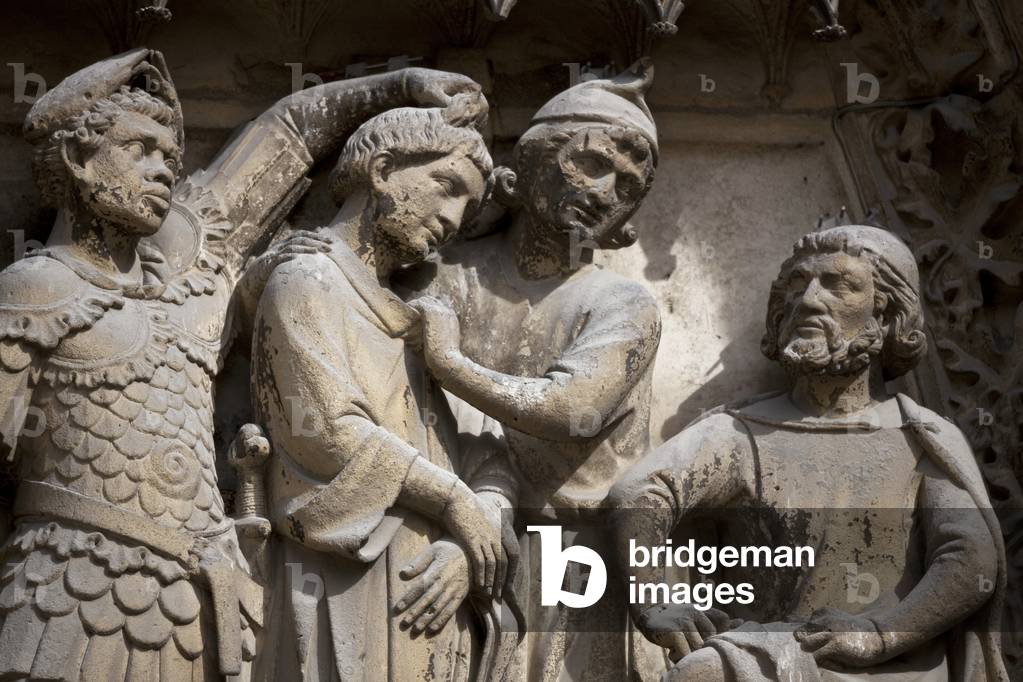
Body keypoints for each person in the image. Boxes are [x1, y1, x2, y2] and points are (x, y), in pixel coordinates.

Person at [0, 47, 482, 680]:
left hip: (191, 607)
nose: (163, 171)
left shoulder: (195, 271)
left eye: (170, 157)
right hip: (68, 585)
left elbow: (287, 135)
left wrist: (401, 85)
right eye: (139, 150)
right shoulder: (31, 290)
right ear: (78, 158)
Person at [610, 225, 1009, 682]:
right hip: (771, 655)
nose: (809, 300)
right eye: (798, 284)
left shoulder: (920, 435)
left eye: (838, 285)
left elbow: (970, 558)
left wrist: (879, 635)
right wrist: (657, 603)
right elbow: (638, 494)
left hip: (896, 666)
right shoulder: (739, 432)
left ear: (887, 316)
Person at [404, 60, 667, 680]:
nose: (606, 192)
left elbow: (569, 410)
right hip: (441, 535)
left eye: (628, 187)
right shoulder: (442, 276)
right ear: (529, 164)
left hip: (569, 562)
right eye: (592, 163)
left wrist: (448, 362)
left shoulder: (623, 305)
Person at [250, 103, 514, 681]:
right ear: (383, 169)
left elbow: (488, 453)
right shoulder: (307, 280)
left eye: (468, 209)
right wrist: (452, 501)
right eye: (447, 186)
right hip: (347, 584)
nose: (453, 219)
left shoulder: (426, 322)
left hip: (433, 596)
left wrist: (472, 543)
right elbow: (326, 433)